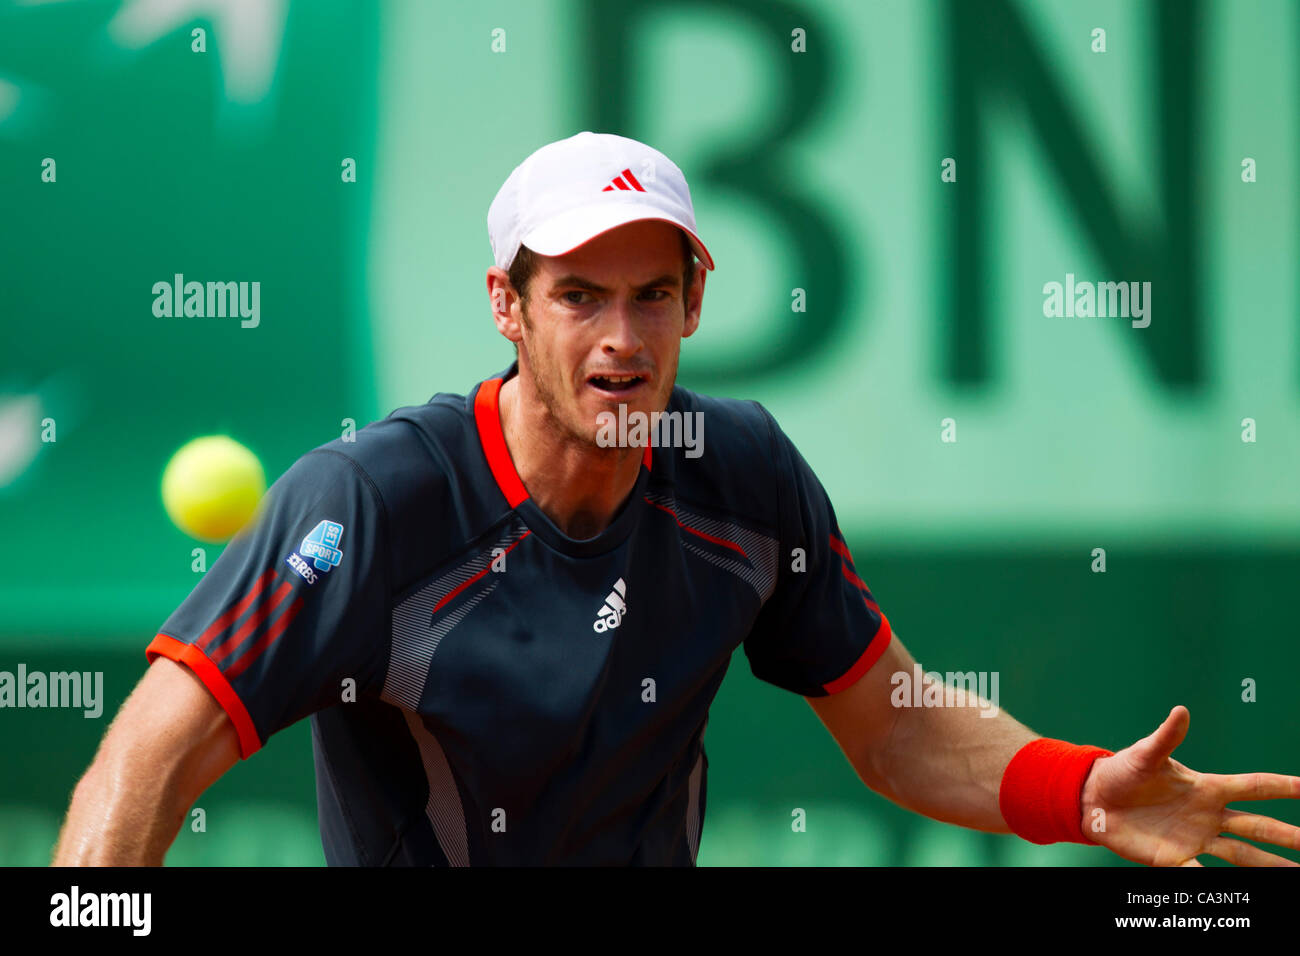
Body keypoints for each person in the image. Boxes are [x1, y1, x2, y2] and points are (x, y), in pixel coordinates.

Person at [54, 132, 1300, 867]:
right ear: (507, 307)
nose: (621, 335)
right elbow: (149, 755)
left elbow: (897, 723)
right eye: (578, 296)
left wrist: (1073, 787)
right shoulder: (372, 500)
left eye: (652, 294)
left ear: (695, 305)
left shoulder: (740, 471)